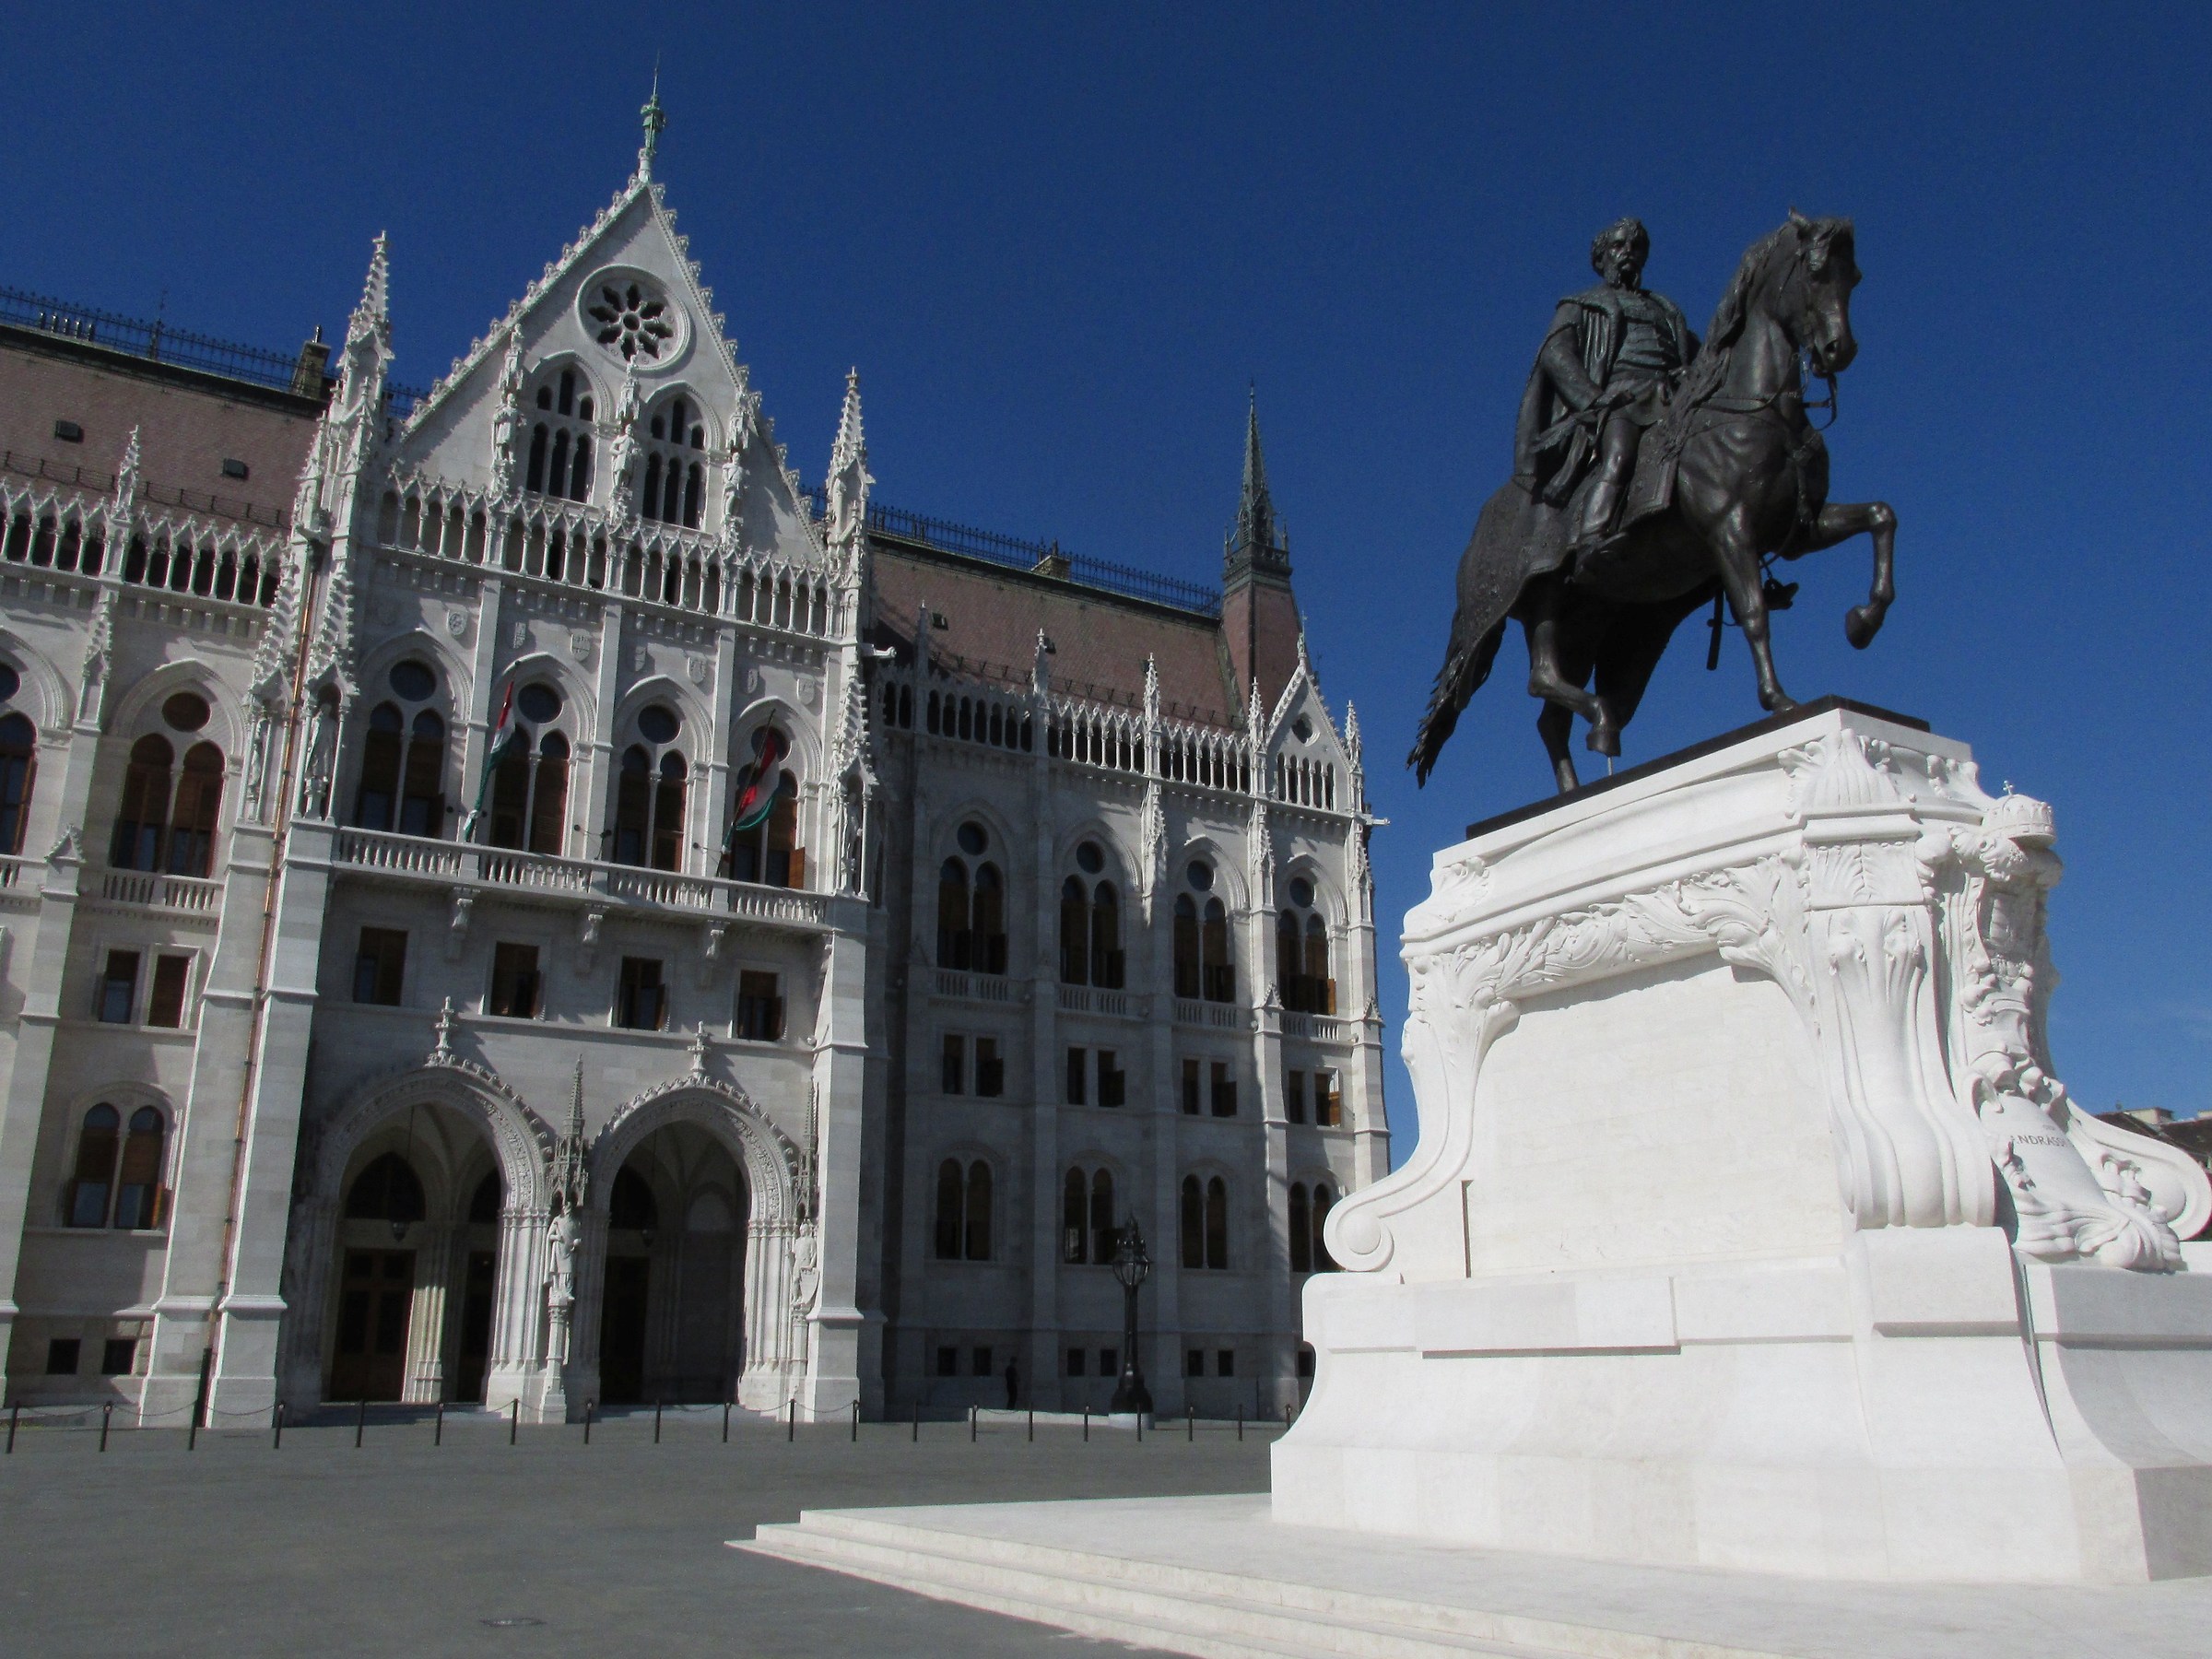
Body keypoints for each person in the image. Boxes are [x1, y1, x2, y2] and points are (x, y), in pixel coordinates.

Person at [1513, 217, 1697, 551]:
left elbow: (1696, 354)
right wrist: (1593, 399)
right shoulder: (1580, 305)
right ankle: (1592, 539)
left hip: (1672, 394)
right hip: (1620, 398)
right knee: (1619, 456)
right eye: (1618, 245)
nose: (1628, 252)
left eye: (1635, 246)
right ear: (1601, 258)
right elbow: (1556, 353)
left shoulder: (1666, 309)